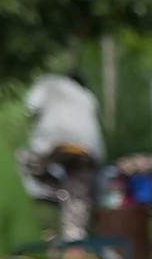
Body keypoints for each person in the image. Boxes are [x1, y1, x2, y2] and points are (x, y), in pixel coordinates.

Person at [18, 71, 106, 241]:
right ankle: (74, 237)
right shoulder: (87, 95)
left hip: (54, 143)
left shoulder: (47, 82)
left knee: (26, 163)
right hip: (88, 149)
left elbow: (31, 107)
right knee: (78, 193)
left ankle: (49, 192)